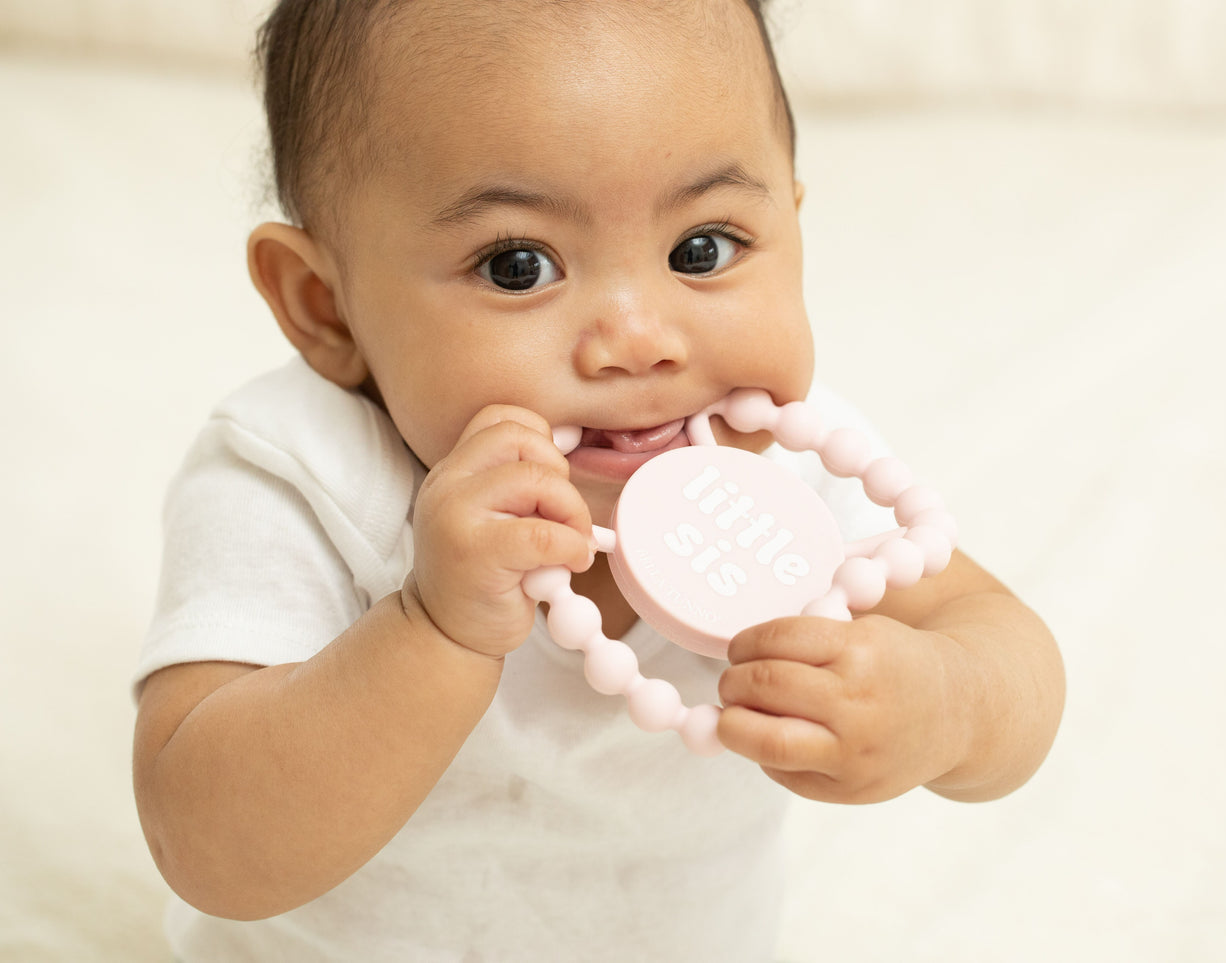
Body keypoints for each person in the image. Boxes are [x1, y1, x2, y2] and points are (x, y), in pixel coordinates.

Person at [131, 0, 1066, 959]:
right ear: (325, 308)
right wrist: (431, 628)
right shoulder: (295, 474)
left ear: (790, 219)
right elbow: (205, 846)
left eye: (701, 249)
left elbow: (1009, 652)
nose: (635, 340)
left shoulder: (780, 466)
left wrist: (945, 704)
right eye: (517, 265)